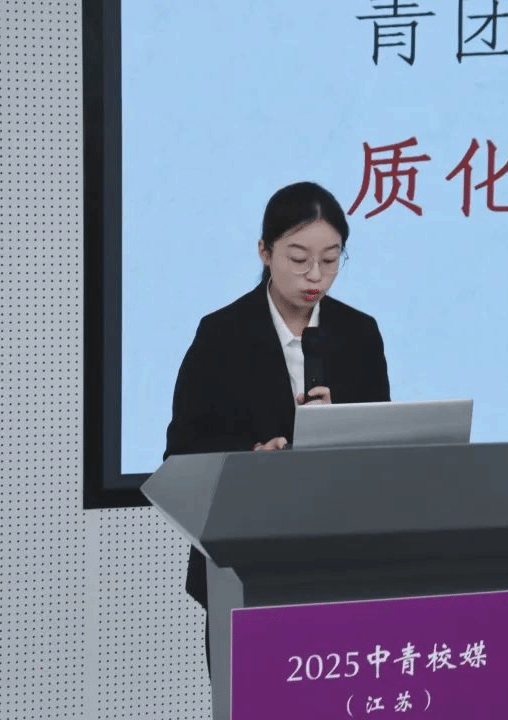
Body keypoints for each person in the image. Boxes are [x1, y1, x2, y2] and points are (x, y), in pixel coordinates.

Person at [163, 181, 391, 671]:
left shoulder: (359, 333)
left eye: (331, 259)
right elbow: (181, 451)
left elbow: (384, 445)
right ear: (265, 252)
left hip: (342, 559)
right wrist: (251, 459)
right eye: (298, 258)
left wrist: (341, 422)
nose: (316, 275)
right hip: (247, 562)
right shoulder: (221, 334)